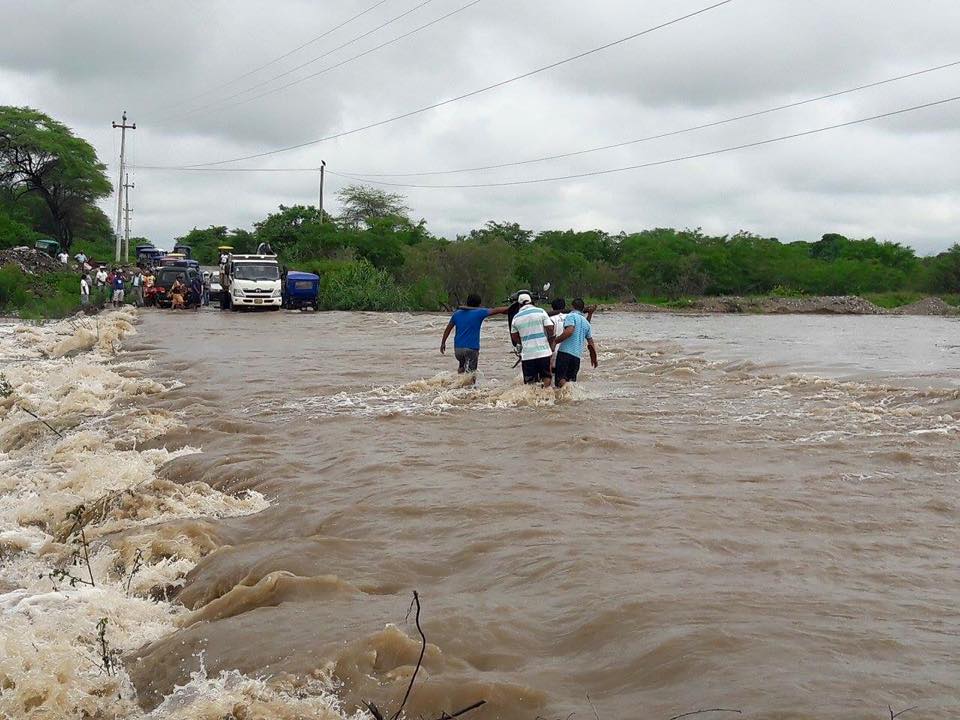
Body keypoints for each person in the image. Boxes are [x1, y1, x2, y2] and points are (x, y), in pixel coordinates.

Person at [440, 294, 509, 376]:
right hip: (471, 349)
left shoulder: (457, 314)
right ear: (479, 304)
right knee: (471, 374)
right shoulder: (480, 312)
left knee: (462, 367)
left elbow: (448, 329)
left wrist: (443, 343)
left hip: (458, 349)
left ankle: (458, 380)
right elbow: (497, 310)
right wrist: (514, 307)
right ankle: (470, 384)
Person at [509, 293, 555, 388]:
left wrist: (523, 342)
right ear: (531, 301)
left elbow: (514, 336)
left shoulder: (516, 317)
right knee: (546, 377)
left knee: (530, 382)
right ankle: (545, 393)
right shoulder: (541, 311)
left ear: (519, 305)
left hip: (527, 355)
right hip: (543, 353)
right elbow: (550, 328)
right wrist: (550, 339)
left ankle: (533, 395)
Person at [552, 298, 598, 388]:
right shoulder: (586, 323)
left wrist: (555, 341)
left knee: (560, 380)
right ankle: (571, 393)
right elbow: (591, 342)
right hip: (577, 357)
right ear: (582, 308)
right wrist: (594, 358)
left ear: (572, 307)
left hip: (565, 353)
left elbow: (569, 331)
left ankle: (567, 391)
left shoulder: (571, 316)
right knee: (571, 381)